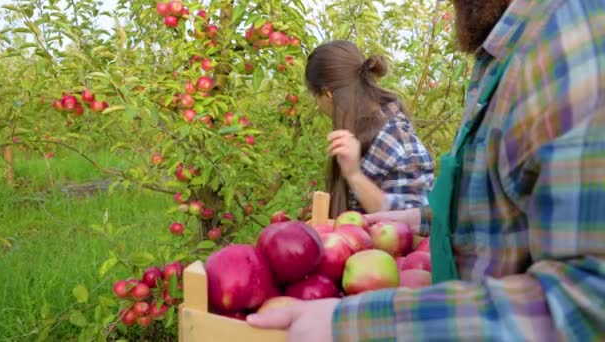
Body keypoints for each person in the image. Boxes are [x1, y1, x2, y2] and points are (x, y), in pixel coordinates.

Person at [247, 0, 605, 341]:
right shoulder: (507, 52)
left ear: (326, 94)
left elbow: (588, 304)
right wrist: (415, 219)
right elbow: (498, 214)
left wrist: (355, 327)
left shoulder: (567, 42)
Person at [304, 40, 435, 218]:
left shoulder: (397, 139)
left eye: (315, 97)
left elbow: (420, 221)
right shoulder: (363, 134)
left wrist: (355, 176)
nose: (318, 107)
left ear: (328, 94)